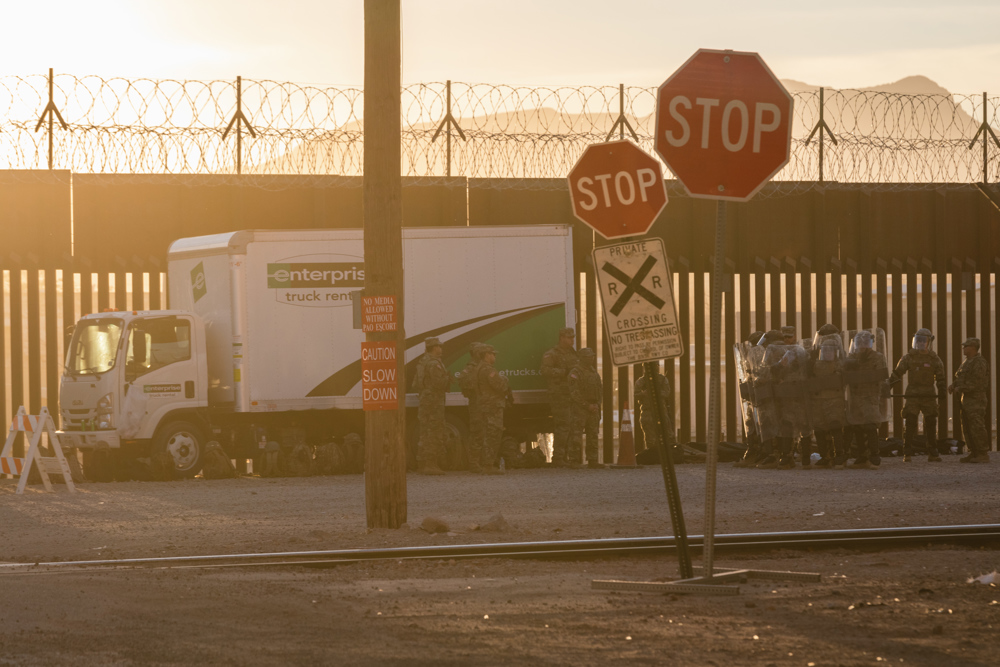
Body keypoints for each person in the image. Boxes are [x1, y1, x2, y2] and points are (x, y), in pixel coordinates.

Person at [886, 327, 947, 462]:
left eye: (923, 341)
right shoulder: (909, 357)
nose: (920, 343)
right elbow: (897, 373)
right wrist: (888, 386)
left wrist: (942, 389)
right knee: (910, 422)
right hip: (913, 394)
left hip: (928, 395)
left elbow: (941, 377)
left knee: (931, 423)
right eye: (918, 340)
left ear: (928, 342)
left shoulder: (934, 359)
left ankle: (932, 451)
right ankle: (907, 452)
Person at [843, 329, 888, 469]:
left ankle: (874, 456)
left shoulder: (877, 357)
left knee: (870, 426)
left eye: (865, 343)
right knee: (857, 427)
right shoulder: (852, 357)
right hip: (855, 397)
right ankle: (862, 456)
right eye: (859, 343)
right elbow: (844, 374)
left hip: (870, 396)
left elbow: (881, 375)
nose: (862, 346)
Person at [808, 324, 847, 469]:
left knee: (835, 427)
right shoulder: (815, 360)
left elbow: (841, 377)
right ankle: (825, 456)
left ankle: (839, 456)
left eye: (831, 350)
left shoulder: (839, 361)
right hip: (818, 399)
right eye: (825, 350)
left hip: (834, 398)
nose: (828, 352)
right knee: (819, 428)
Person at [541, 327, 579, 468]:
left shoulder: (573, 354)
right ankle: (558, 458)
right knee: (563, 426)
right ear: (561, 338)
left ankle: (566, 457)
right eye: (569, 338)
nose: (572, 340)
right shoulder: (552, 354)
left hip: (572, 395)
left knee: (571, 426)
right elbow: (545, 371)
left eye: (573, 338)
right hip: (559, 395)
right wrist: (564, 372)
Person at [949, 337, 991, 463]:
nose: (963, 348)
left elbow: (978, 383)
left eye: (966, 346)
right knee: (967, 426)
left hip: (976, 400)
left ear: (973, 347)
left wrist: (961, 387)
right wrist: (954, 385)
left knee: (976, 426)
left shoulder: (979, 363)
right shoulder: (967, 362)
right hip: (966, 400)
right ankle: (973, 452)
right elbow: (961, 377)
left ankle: (982, 453)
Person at [415, 337, 450, 475]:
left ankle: (422, 464)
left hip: (425, 401)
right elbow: (439, 384)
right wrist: (447, 378)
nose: (441, 349)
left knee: (424, 432)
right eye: (439, 347)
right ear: (433, 348)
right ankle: (431, 464)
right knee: (434, 432)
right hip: (434, 402)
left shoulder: (422, 363)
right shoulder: (434, 363)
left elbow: (415, 384)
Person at [568, 348, 603, 469]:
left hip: (593, 408)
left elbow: (599, 390)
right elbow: (574, 393)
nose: (591, 359)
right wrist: (586, 405)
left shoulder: (593, 372)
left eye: (592, 356)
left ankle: (593, 460)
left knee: (593, 434)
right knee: (576, 435)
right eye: (588, 356)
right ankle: (573, 460)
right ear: (582, 358)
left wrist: (596, 405)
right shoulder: (576, 372)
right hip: (580, 409)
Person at [476, 345, 509, 474]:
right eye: (492, 354)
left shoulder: (479, 368)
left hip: (486, 406)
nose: (494, 356)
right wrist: (505, 380)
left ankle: (487, 464)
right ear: (486, 355)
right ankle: (488, 465)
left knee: (487, 434)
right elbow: (500, 385)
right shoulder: (488, 370)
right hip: (493, 406)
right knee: (493, 435)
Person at [633, 363, 674, 457]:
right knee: (650, 439)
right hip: (647, 411)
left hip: (661, 411)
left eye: (656, 366)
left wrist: (656, 392)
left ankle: (669, 456)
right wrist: (644, 394)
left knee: (668, 435)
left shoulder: (662, 379)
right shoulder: (640, 381)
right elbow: (635, 395)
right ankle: (653, 457)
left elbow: (666, 393)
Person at [457, 342, 486, 472]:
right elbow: (463, 380)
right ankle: (474, 463)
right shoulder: (471, 367)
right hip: (477, 405)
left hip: (485, 404)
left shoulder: (483, 366)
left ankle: (483, 462)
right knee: (477, 432)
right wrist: (475, 387)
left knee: (485, 432)